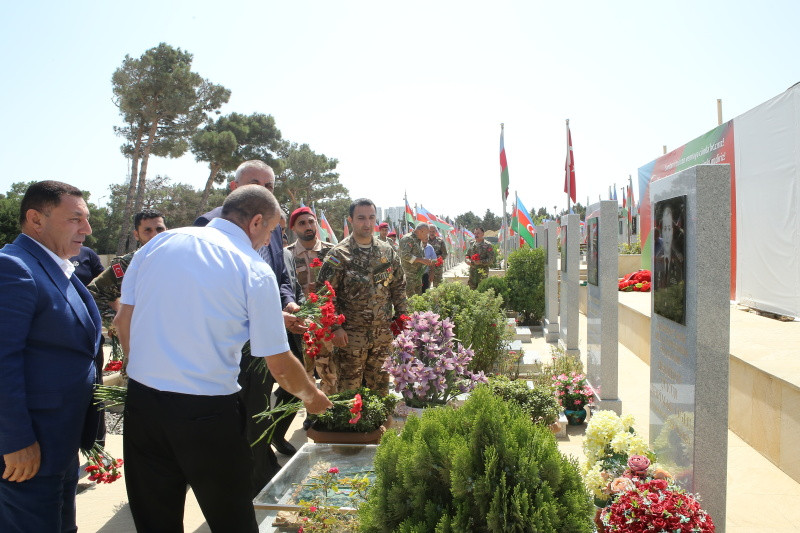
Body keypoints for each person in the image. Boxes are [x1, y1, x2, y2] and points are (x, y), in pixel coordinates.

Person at [116, 185, 331, 532]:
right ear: (257, 221)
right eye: (273, 230)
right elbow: (279, 362)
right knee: (231, 517)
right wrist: (312, 397)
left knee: (155, 517)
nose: (269, 242)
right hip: (206, 413)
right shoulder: (252, 267)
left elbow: (122, 321)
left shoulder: (160, 243)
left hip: (142, 406)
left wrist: (138, 369)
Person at [0, 180, 102, 532]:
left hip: (59, 440)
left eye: (86, 219)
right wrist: (15, 442)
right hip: (30, 449)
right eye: (76, 219)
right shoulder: (13, 268)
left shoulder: (55, 265)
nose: (87, 230)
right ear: (35, 219)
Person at [194, 160, 305, 464]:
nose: (262, 190)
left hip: (265, 337)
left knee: (261, 400)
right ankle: (255, 472)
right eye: (254, 183)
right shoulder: (208, 225)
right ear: (234, 188)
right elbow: (214, 289)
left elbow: (280, 277)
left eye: (269, 186)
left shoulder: (273, 228)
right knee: (243, 407)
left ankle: (257, 457)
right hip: (231, 341)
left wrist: (286, 303)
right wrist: (264, 314)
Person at [317, 198, 407, 394]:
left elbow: (398, 286)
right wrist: (335, 327)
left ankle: (380, 424)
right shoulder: (339, 255)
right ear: (351, 220)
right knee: (349, 391)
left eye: (371, 217)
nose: (367, 223)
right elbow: (325, 296)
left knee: (380, 388)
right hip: (350, 336)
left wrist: (402, 318)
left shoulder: (387, 251)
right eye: (361, 218)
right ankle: (350, 425)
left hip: (382, 334)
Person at [285, 206, 338, 392]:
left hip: (327, 321)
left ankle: (328, 415)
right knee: (303, 373)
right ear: (293, 228)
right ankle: (311, 415)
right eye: (302, 223)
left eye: (310, 222)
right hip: (299, 322)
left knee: (329, 371)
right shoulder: (286, 255)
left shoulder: (332, 252)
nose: (307, 226)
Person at [87, 209, 167, 324]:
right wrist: (120, 325)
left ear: (167, 231)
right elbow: (94, 294)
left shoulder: (182, 259)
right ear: (136, 235)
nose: (155, 235)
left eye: (160, 229)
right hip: (146, 333)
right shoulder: (126, 265)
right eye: (147, 230)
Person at [398, 224, 433, 297]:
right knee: (410, 301)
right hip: (409, 277)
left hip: (417, 276)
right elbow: (405, 255)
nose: (427, 236)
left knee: (418, 300)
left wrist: (425, 261)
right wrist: (421, 260)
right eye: (426, 233)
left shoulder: (419, 240)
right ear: (420, 231)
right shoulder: (408, 239)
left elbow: (420, 255)